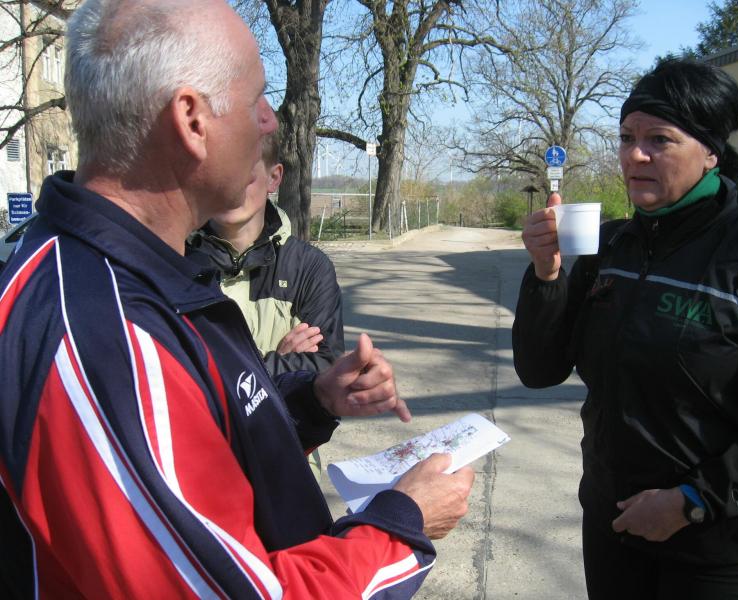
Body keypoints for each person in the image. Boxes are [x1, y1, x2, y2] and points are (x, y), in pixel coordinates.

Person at [0, 1, 474, 597]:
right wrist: (403, 523)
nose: (270, 121)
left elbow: (204, 452)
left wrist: (311, 402)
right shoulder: (105, 337)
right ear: (192, 121)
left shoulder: (149, 275)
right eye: (255, 99)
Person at [513, 58, 738, 599]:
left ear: (711, 152)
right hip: (612, 526)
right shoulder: (608, 247)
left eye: (659, 140)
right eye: (627, 137)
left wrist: (692, 500)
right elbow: (539, 369)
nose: (635, 155)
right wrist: (546, 275)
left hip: (714, 548)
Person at [187, 129, 343, 481]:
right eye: (220, 168)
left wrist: (230, 368)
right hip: (199, 464)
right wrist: (277, 360)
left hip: (288, 461)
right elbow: (174, 376)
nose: (231, 183)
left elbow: (325, 373)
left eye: (246, 169)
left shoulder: (309, 268)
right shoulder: (176, 260)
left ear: (274, 177)